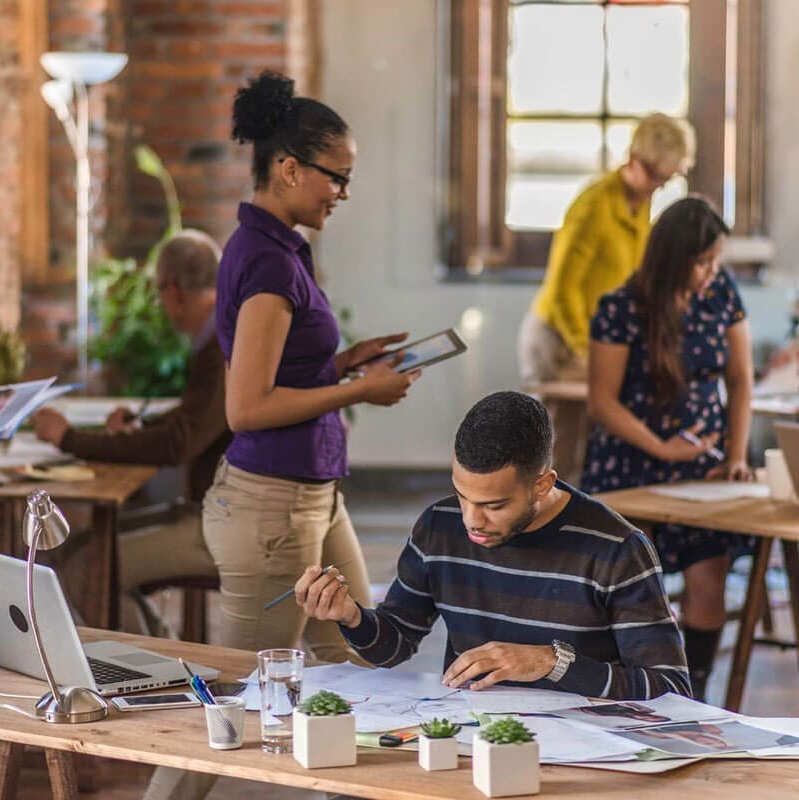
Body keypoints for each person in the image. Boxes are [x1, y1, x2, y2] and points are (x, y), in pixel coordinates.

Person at [203, 70, 420, 663]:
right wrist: (358, 392)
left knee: (355, 662)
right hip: (272, 509)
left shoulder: (280, 250)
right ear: (290, 169)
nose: (343, 193)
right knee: (243, 703)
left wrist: (348, 363)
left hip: (313, 500)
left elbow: (284, 371)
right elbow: (246, 408)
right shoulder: (268, 262)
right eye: (338, 178)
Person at [294, 391, 690, 701]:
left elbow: (671, 689)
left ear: (543, 484)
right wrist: (350, 616)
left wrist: (550, 663)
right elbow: (395, 644)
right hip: (475, 738)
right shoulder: (439, 526)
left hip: (590, 751)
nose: (471, 519)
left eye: (494, 505)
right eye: (462, 495)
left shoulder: (617, 549)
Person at [582, 196, 754, 701]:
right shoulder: (620, 306)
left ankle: (691, 696)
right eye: (702, 262)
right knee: (629, 586)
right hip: (630, 463)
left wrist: (736, 456)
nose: (711, 272)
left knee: (709, 578)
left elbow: (742, 381)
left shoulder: (721, 292)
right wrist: (661, 447)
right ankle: (630, 690)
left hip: (703, 467)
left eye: (716, 260)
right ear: (672, 258)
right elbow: (602, 402)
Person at [33, 230, 229, 636]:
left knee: (88, 565)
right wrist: (145, 427)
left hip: (222, 525)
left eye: (159, 292)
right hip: (213, 512)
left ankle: (153, 677)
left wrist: (68, 439)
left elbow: (178, 443)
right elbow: (195, 420)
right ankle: (168, 659)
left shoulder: (221, 344)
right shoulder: (219, 335)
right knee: (79, 549)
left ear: (173, 290)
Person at [517, 113, 696, 484]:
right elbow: (564, 291)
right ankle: (542, 536)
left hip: (594, 338)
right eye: (656, 177)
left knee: (590, 444)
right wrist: (589, 349)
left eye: (668, 179)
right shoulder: (593, 207)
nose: (659, 187)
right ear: (633, 160)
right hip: (559, 338)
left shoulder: (639, 202)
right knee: (557, 451)